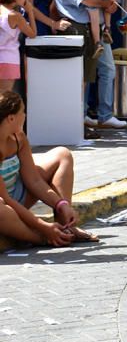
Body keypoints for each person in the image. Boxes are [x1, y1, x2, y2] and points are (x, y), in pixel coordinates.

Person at [0, 91, 98, 245]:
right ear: (11, 118)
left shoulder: (19, 138)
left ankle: (65, 226)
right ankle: (40, 239)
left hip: (18, 196)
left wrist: (61, 205)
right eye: (22, 112)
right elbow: (5, 199)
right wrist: (44, 227)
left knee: (62, 155)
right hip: (5, 205)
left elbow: (34, 181)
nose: (25, 116)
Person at [51, 0, 126, 132]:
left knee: (100, 71)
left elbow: (108, 0)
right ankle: (85, 114)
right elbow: (89, 1)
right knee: (86, 74)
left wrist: (109, 4)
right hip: (84, 27)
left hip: (95, 27)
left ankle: (102, 115)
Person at [0, 0, 37, 90]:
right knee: (4, 97)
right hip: (8, 60)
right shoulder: (15, 16)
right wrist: (30, 11)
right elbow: (33, 34)